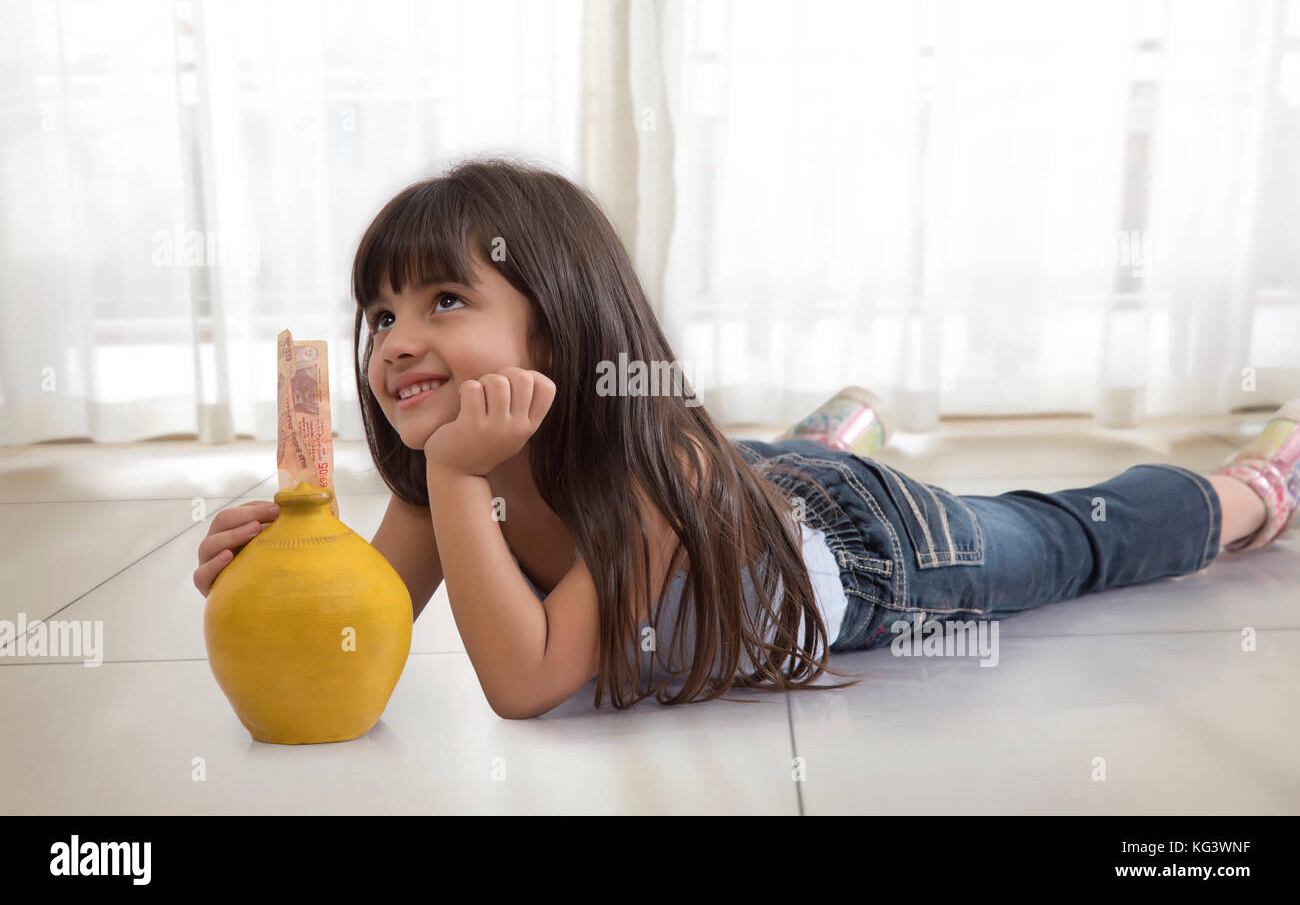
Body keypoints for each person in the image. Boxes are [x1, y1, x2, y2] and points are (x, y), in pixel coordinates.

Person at [193, 155, 1298, 717]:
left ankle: (1249, 487)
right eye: (379, 313)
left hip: (867, 548)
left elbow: (526, 685)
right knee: (751, 466)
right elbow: (360, 652)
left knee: (1055, 542)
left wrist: (452, 476)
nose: (394, 339)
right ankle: (821, 431)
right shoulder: (448, 480)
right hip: (747, 489)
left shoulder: (640, 468)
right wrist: (284, 582)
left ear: (562, 315)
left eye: (443, 300)